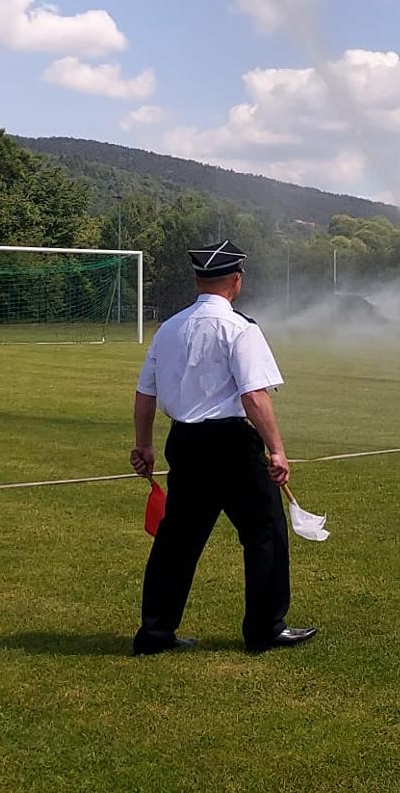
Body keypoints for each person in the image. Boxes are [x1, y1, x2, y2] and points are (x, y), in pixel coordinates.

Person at [129, 241, 316, 656]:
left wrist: (143, 445)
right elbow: (254, 395)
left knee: (177, 541)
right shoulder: (240, 328)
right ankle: (265, 628)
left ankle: (155, 634)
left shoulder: (170, 328)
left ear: (197, 280)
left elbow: (145, 393)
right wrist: (277, 451)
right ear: (236, 281)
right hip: (230, 444)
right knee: (264, 532)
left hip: (185, 442)